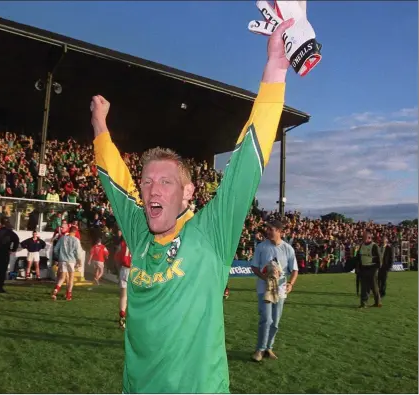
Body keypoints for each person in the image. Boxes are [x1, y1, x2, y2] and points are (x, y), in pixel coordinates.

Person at [91, 17, 294, 393]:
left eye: (166, 182)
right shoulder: (140, 233)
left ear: (188, 194)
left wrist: (275, 69)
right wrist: (99, 125)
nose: (153, 189)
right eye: (148, 181)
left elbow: (246, 163)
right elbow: (114, 179)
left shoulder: (210, 233)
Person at [250, 220, 298, 362]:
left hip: (281, 289)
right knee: (266, 319)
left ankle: (269, 348)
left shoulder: (288, 248)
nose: (268, 231)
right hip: (264, 288)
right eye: (268, 229)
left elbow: (294, 270)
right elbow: (254, 267)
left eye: (271, 229)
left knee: (275, 321)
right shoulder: (261, 247)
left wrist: (290, 283)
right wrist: (264, 277)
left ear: (279, 231)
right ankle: (260, 349)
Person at [51, 226, 82, 301]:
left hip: (62, 260)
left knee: (62, 278)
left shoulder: (62, 238)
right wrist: (79, 261)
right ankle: (68, 295)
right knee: (71, 279)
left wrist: (59, 257)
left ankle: (55, 291)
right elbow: (78, 253)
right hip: (71, 261)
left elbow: (55, 249)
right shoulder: (76, 240)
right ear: (75, 232)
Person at [356, 230, 381, 308]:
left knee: (374, 286)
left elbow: (379, 258)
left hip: (372, 268)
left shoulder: (374, 246)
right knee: (364, 286)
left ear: (369, 237)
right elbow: (358, 257)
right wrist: (358, 267)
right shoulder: (361, 245)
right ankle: (364, 303)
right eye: (363, 236)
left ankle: (378, 302)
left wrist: (377, 268)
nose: (363, 238)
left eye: (364, 236)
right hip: (363, 268)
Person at [114, 231, 131, 329]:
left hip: (124, 269)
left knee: (123, 295)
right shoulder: (137, 243)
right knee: (134, 296)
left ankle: (122, 317)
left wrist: (118, 270)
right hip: (135, 270)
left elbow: (117, 258)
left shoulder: (123, 244)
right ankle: (132, 318)